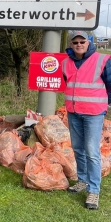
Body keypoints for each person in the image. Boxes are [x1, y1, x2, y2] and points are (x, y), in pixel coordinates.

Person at [63, 30, 111, 210]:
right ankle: (82, 180)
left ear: (88, 42)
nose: (78, 45)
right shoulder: (66, 63)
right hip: (73, 111)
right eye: (75, 42)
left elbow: (110, 83)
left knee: (91, 151)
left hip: (93, 113)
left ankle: (94, 190)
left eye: (82, 42)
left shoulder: (102, 60)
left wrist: (106, 103)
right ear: (71, 44)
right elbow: (68, 82)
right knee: (78, 148)